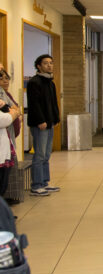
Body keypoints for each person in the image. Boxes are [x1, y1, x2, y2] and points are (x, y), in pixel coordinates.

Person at [26, 54, 60, 196]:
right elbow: (34, 104)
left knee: (46, 154)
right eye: (46, 63)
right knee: (39, 155)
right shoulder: (35, 82)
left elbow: (53, 103)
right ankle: (36, 185)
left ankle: (44, 182)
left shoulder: (50, 83)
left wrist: (56, 118)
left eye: (51, 63)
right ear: (39, 66)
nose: (49, 65)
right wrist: (41, 121)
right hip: (40, 124)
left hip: (50, 122)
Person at [0, 70, 23, 206]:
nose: (5, 81)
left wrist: (13, 112)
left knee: (3, 181)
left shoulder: (4, 95)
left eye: (6, 78)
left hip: (5, 144)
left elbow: (14, 108)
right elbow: (5, 118)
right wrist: (13, 114)